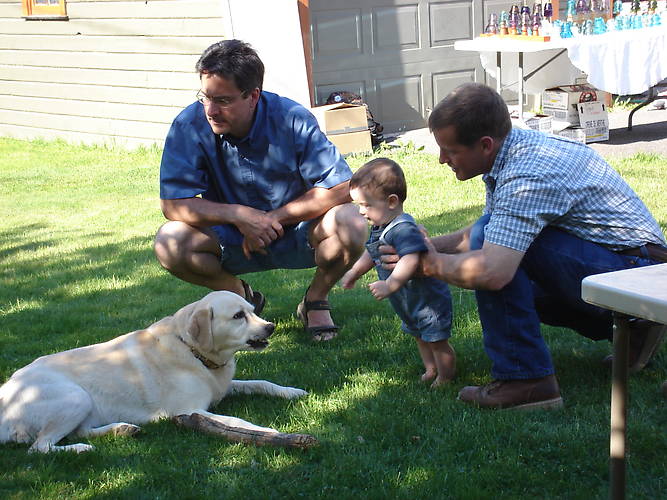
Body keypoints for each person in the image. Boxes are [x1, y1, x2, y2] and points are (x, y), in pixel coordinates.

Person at [381, 82, 667, 409]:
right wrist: (427, 247)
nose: (442, 159)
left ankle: (527, 380)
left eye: (450, 150)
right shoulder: (512, 151)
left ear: (485, 145)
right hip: (634, 265)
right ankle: (637, 328)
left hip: (637, 272)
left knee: (497, 258)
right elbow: (487, 230)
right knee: (493, 237)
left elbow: (492, 272)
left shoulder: (528, 174)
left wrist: (425, 265)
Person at [154, 39, 367, 341]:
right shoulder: (189, 125)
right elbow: (173, 203)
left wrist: (273, 219)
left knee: (352, 222)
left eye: (223, 100)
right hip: (230, 238)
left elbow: (342, 186)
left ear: (253, 95)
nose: (210, 110)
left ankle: (315, 300)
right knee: (170, 241)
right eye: (205, 97)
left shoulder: (291, 118)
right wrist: (240, 216)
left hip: (297, 232)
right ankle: (242, 296)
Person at [341, 158, 456, 387]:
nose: (361, 211)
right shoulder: (380, 226)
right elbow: (372, 253)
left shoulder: (403, 228)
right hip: (409, 300)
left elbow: (411, 258)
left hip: (428, 300)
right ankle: (431, 369)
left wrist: (390, 284)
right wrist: (354, 272)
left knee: (436, 340)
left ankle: (446, 377)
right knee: (419, 336)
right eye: (359, 205)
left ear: (392, 201)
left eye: (366, 205)